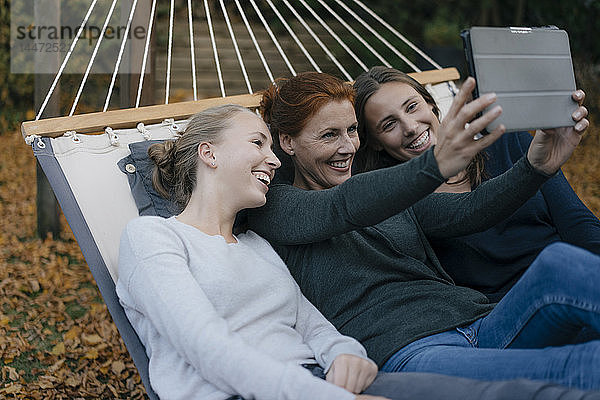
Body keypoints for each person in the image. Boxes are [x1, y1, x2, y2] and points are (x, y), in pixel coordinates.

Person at [115, 104, 586, 400]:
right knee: (563, 376)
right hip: (346, 371)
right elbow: (207, 347)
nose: (271, 163)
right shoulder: (172, 234)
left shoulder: (255, 244)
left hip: (369, 362)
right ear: (209, 154)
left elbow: (311, 325)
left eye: (352, 131)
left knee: (559, 272)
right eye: (258, 144)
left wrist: (343, 354)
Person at [247, 71, 600, 390]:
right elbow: (342, 207)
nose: (347, 147)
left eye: (352, 130)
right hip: (413, 352)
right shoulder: (273, 206)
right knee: (581, 365)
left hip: (481, 323)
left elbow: (469, 211)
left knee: (561, 263)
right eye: (329, 135)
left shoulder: (383, 192)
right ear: (288, 143)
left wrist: (535, 167)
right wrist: (435, 164)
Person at [352, 66, 600, 303]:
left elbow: (576, 222)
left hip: (577, 279)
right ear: (375, 143)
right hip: (509, 313)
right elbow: (472, 209)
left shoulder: (507, 141)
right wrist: (533, 169)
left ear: (431, 104)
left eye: (412, 107)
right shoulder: (396, 203)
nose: (410, 127)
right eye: (389, 125)